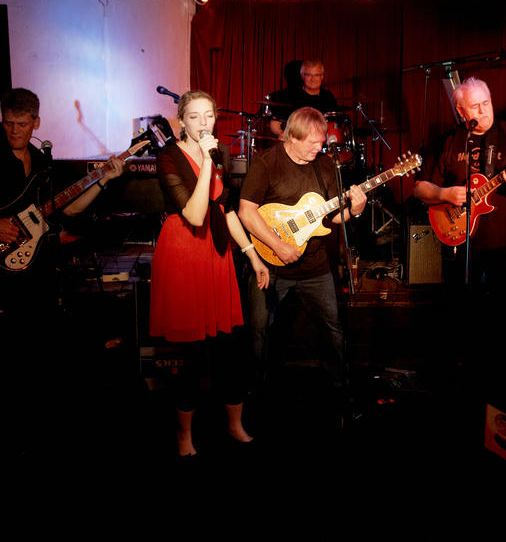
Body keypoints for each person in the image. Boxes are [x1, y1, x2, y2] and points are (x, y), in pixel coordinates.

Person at [149, 90, 270, 458]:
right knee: (190, 354)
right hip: (184, 254)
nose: (204, 123)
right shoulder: (168, 157)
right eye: (195, 117)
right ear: (181, 121)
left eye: (209, 116)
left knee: (230, 348)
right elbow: (195, 213)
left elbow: (226, 209)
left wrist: (252, 254)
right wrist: (204, 160)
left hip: (216, 256)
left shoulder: (220, 154)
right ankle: (184, 435)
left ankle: (234, 424)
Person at [0, 87, 126, 306]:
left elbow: (69, 209)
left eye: (22, 124)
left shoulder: (42, 164)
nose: (14, 131)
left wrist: (102, 180)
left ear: (36, 123)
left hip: (27, 267)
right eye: (8, 123)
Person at [238, 107, 366, 391]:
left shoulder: (324, 165)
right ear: (292, 137)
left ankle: (340, 388)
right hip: (270, 263)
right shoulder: (266, 163)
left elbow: (334, 217)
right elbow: (246, 212)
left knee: (333, 329)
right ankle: (256, 392)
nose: (319, 148)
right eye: (312, 142)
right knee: (259, 331)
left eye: (321, 142)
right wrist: (278, 245)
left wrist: (355, 210)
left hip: (314, 266)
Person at [414, 77, 506, 297]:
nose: (483, 111)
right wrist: (444, 193)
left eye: (487, 103)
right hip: (461, 244)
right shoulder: (448, 141)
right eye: (475, 106)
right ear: (461, 111)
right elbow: (419, 189)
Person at [267, 60, 340, 138]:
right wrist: (280, 134)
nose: (313, 79)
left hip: (321, 141)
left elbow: (336, 125)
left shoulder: (328, 97)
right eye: (308, 75)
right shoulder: (290, 95)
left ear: (322, 76)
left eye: (316, 75)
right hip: (296, 141)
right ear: (302, 76)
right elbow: (275, 122)